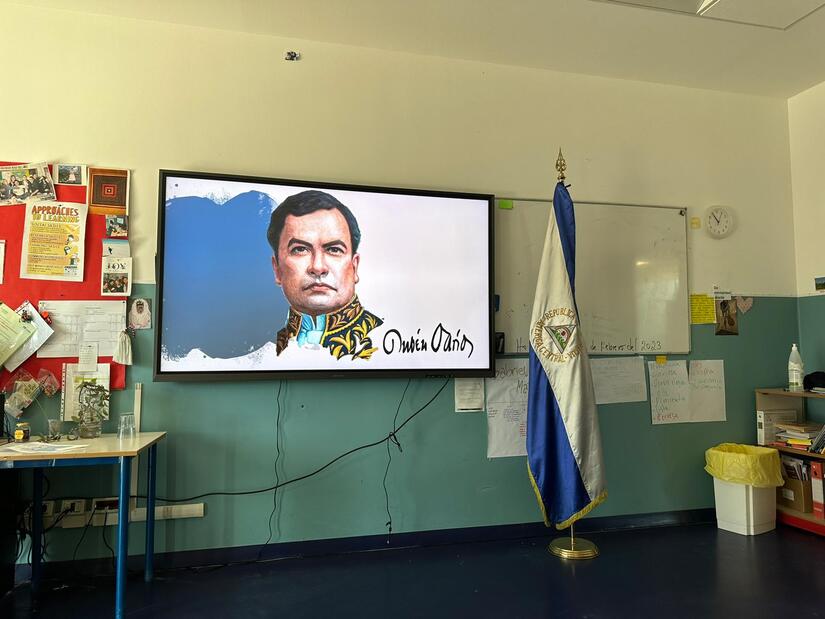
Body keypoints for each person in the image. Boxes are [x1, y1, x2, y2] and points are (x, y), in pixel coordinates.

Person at [266, 190, 382, 360]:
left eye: (334, 249)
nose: (318, 267)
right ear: (277, 269)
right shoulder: (268, 352)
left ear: (354, 266)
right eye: (300, 249)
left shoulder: (383, 341)